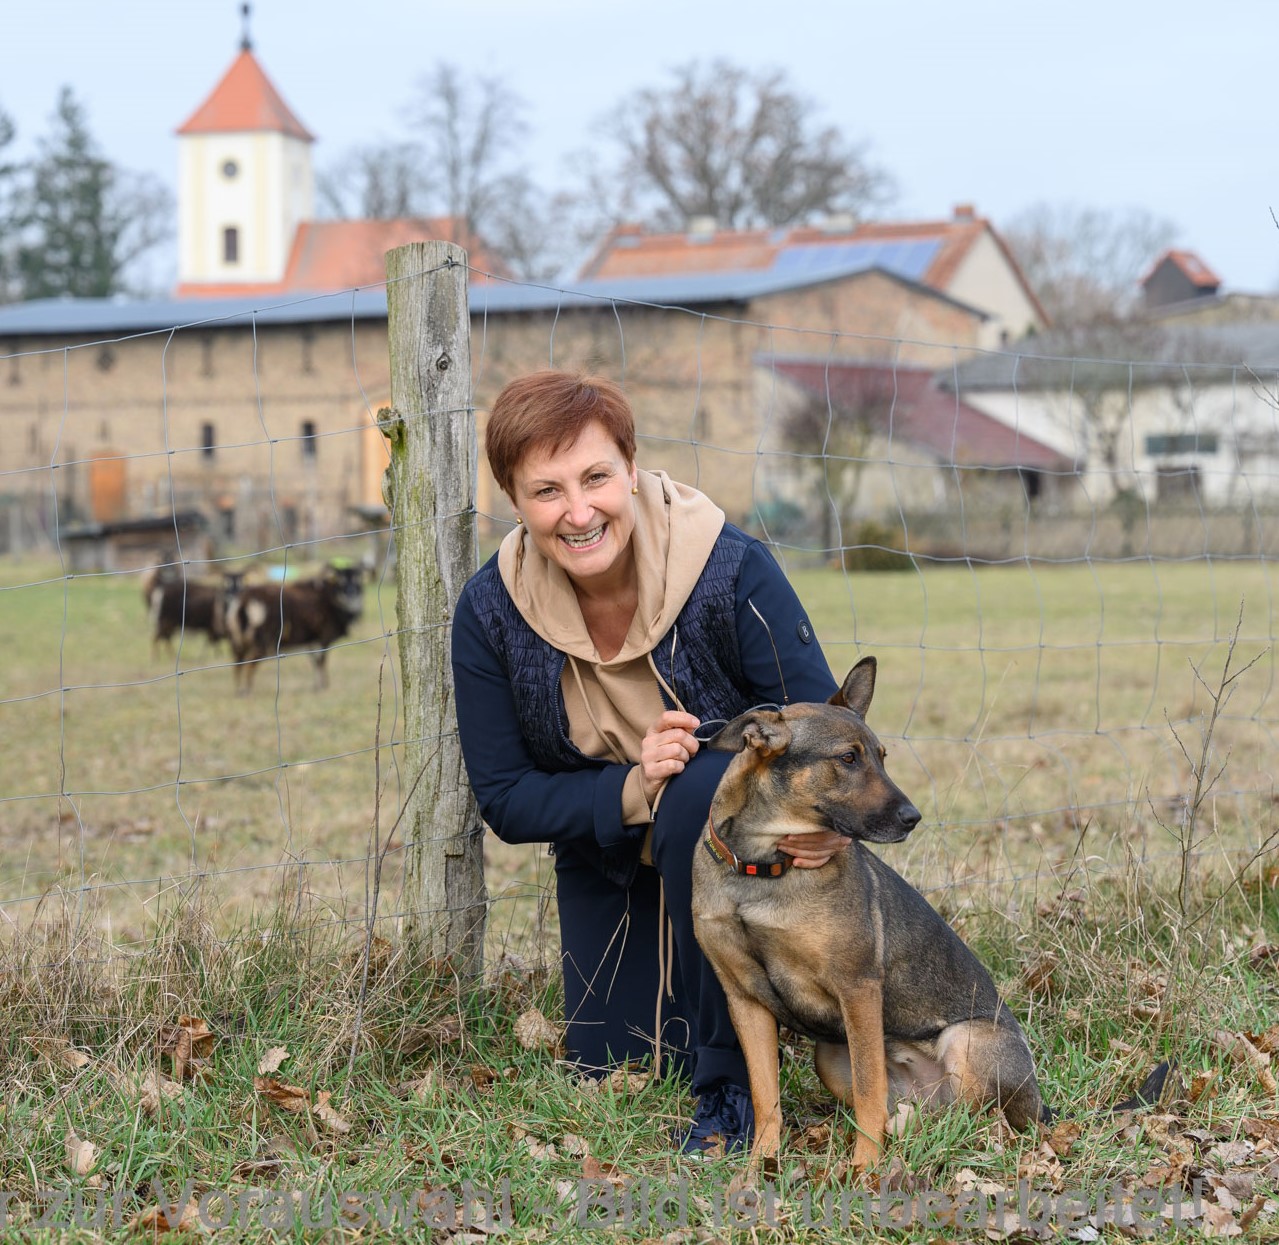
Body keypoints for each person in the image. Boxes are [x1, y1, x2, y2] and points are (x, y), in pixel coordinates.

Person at [451, 370, 847, 1153]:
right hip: (609, 855)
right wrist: (633, 787)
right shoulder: (490, 610)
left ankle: (729, 1091)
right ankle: (711, 1029)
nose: (578, 510)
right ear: (512, 499)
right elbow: (504, 797)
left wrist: (818, 825)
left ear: (630, 467)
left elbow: (820, 728)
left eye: (596, 476)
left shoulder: (728, 567)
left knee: (701, 780)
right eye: (546, 491)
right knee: (617, 1060)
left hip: (751, 867)